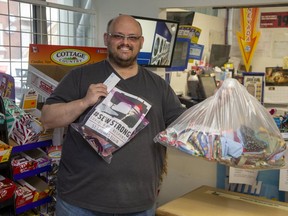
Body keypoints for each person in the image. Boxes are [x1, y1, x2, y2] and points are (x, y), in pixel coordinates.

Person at [41, 14, 186, 216]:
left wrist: (215, 108)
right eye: (118, 36)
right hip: (79, 202)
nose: (125, 42)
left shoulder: (159, 86)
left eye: (132, 37)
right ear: (106, 38)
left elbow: (184, 126)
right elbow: (47, 118)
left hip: (138, 203)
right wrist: (84, 102)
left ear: (141, 42)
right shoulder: (80, 76)